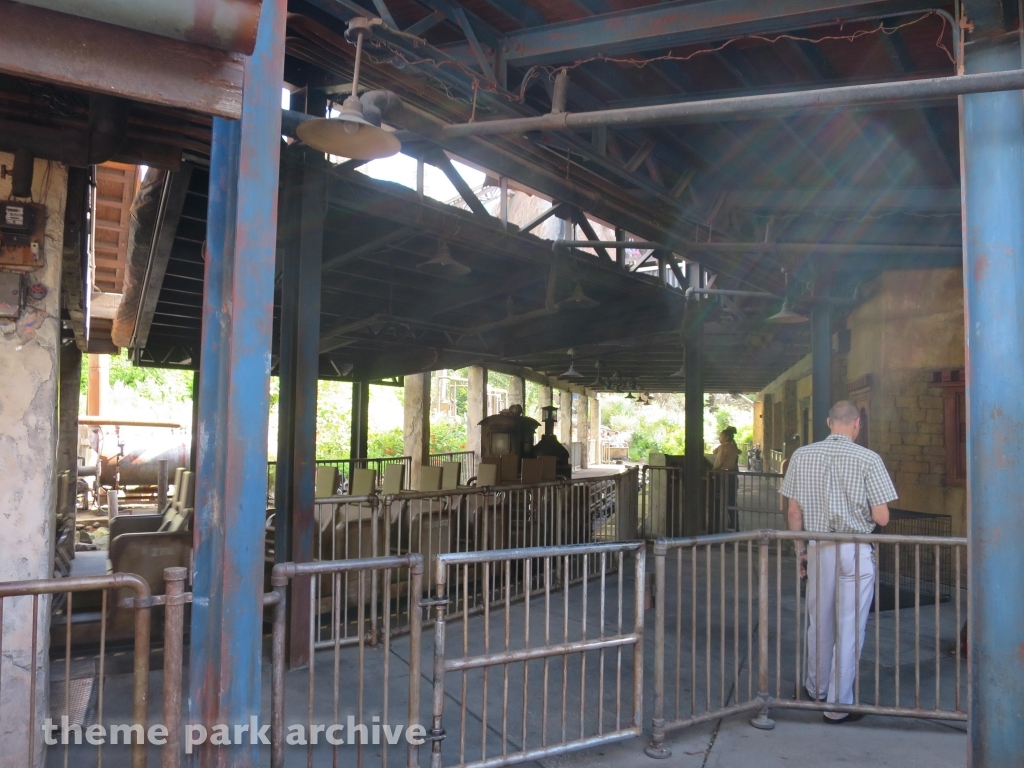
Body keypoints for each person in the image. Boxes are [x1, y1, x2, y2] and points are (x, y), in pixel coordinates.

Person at [779, 400, 897, 723]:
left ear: (830, 422)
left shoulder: (801, 456)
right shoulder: (869, 459)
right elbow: (882, 518)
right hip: (855, 550)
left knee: (819, 619)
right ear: (857, 424)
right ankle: (838, 704)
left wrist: (800, 550)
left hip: (818, 547)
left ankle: (815, 688)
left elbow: (793, 512)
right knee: (850, 626)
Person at [713, 427, 740, 529]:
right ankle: (735, 524)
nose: (720, 437)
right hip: (732, 476)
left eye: (721, 436)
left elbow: (718, 462)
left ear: (726, 437)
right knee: (732, 501)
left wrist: (713, 470)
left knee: (722, 500)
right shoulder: (733, 447)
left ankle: (722, 525)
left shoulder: (723, 447)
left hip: (724, 476)